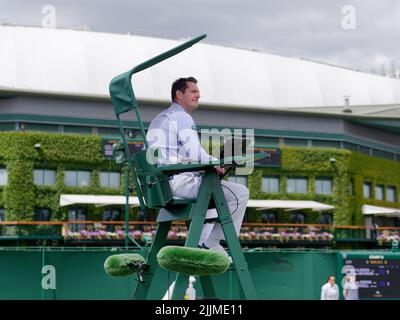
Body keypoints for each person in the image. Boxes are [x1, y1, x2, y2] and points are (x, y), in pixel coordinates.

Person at [146, 77, 249, 256]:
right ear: (179, 94)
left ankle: (202, 244)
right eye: (193, 91)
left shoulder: (161, 118)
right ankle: (212, 243)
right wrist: (215, 162)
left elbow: (175, 157)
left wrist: (204, 165)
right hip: (178, 184)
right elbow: (196, 153)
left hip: (162, 185)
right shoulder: (182, 117)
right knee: (240, 194)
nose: (198, 95)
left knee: (210, 198)